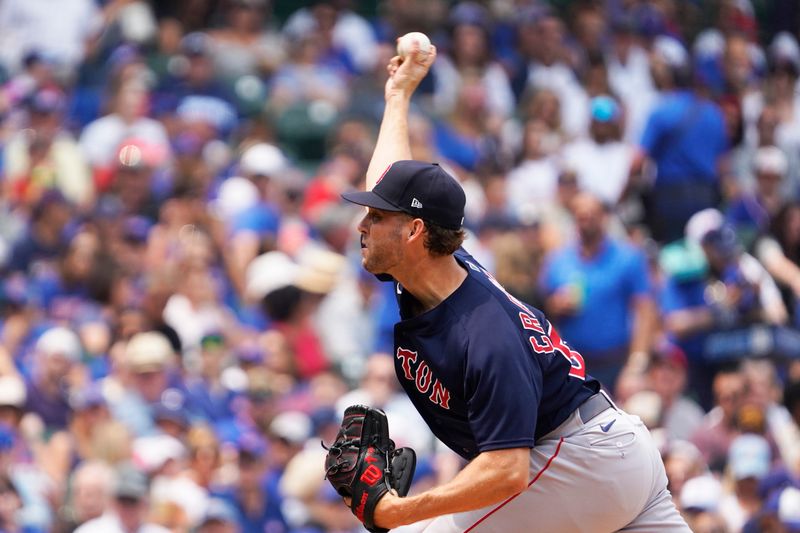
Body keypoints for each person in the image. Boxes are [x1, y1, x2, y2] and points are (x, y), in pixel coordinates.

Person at [336, 39, 689, 532]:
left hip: (572, 461)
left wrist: (394, 512)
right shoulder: (437, 265)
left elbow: (507, 471)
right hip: (610, 452)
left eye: (375, 217)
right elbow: (391, 181)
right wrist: (398, 94)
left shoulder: (483, 334)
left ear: (415, 232)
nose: (362, 226)